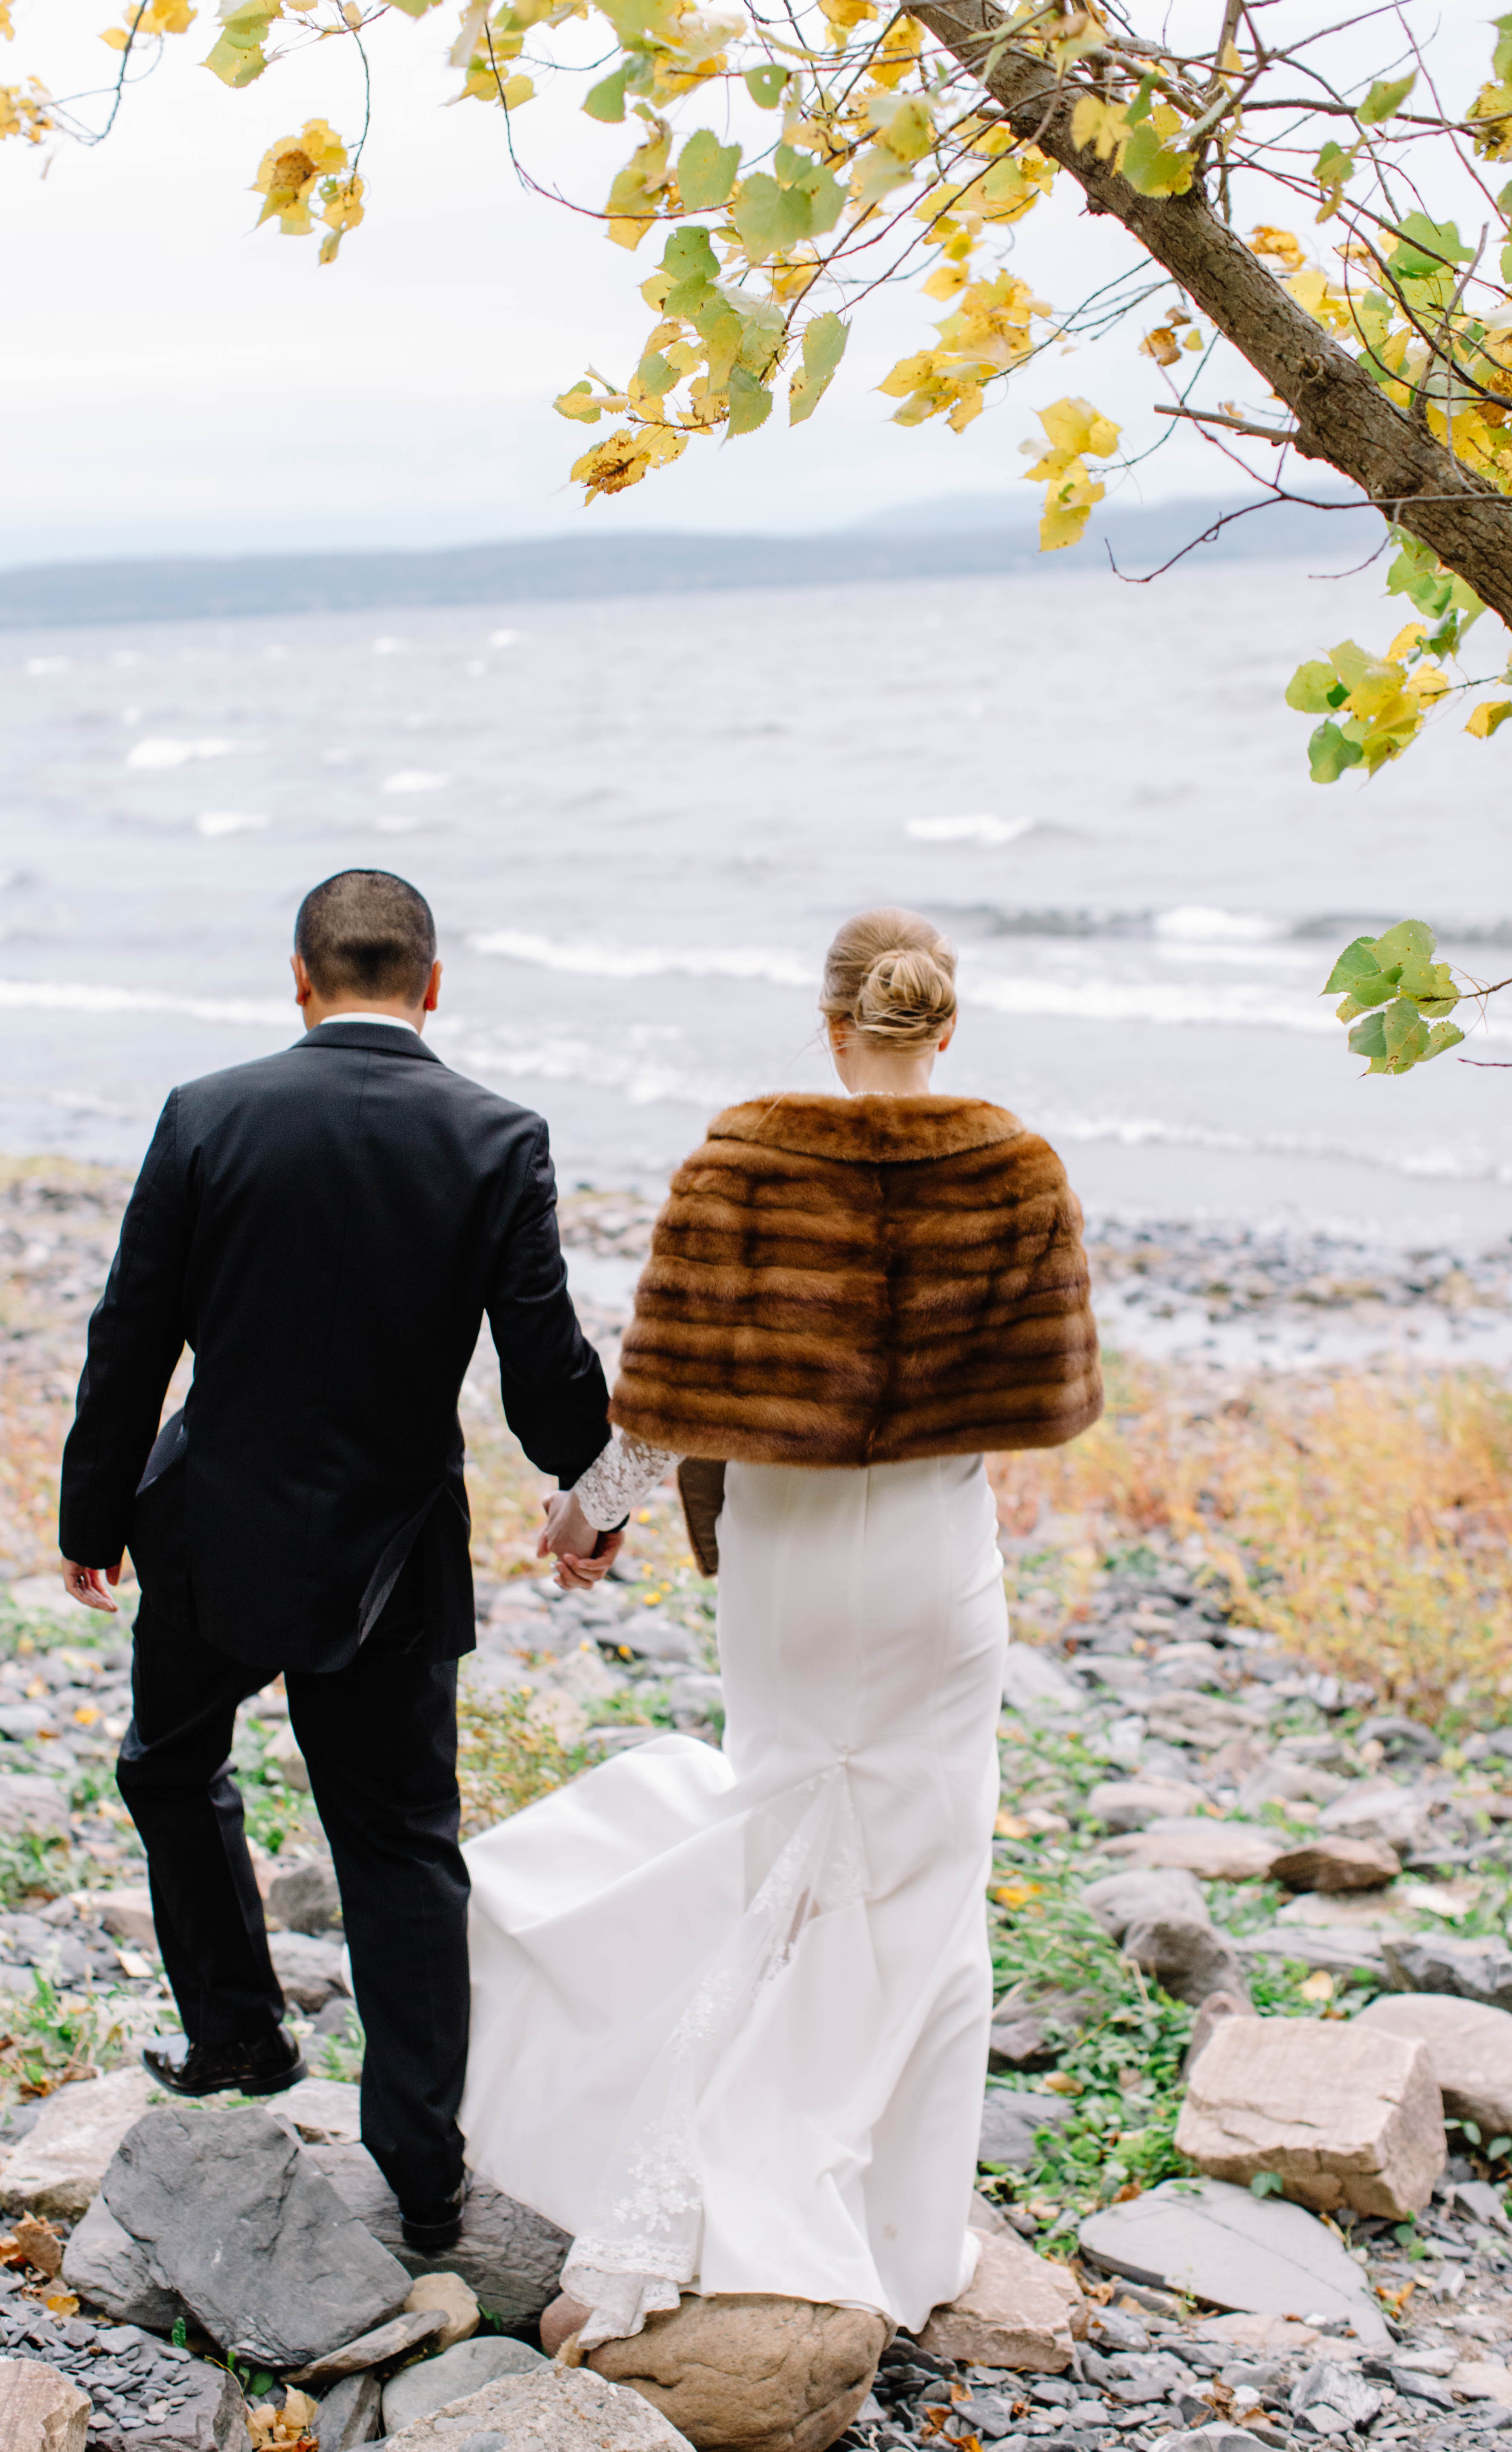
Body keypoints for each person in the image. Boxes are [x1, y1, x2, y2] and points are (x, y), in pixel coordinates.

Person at [470, 907, 1104, 2347]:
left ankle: (720, 2156)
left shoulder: (741, 1159)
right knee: (930, 1870)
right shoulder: (1019, 1169)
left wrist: (589, 1512)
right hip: (937, 1562)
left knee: (784, 1820)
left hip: (789, 1559)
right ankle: (901, 2226)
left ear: (829, 1026)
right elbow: (1053, 1393)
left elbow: (666, 1392)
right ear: (947, 1028)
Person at [56, 869, 615, 2250]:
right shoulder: (498, 1135)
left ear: (298, 980)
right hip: (391, 1549)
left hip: (210, 1532)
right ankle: (424, 2172)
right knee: (402, 1843)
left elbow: (133, 1335)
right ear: (432, 988)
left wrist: (90, 1518)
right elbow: (540, 1365)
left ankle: (242, 2037)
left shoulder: (209, 1114)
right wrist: (591, 1490)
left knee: (167, 1767)